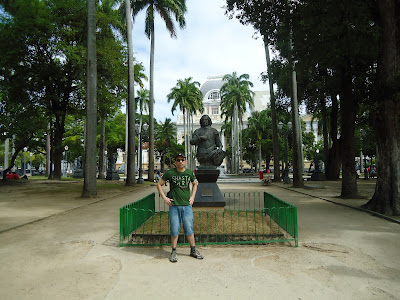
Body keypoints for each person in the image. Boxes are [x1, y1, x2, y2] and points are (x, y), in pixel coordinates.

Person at [156, 153, 203, 263]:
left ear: (185, 161)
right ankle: (173, 251)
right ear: (175, 162)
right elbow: (159, 184)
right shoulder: (170, 173)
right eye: (178, 160)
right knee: (174, 229)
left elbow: (195, 184)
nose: (180, 162)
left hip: (186, 206)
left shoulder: (189, 173)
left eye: (182, 160)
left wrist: (192, 197)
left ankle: (193, 249)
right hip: (174, 206)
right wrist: (164, 198)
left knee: (189, 228)